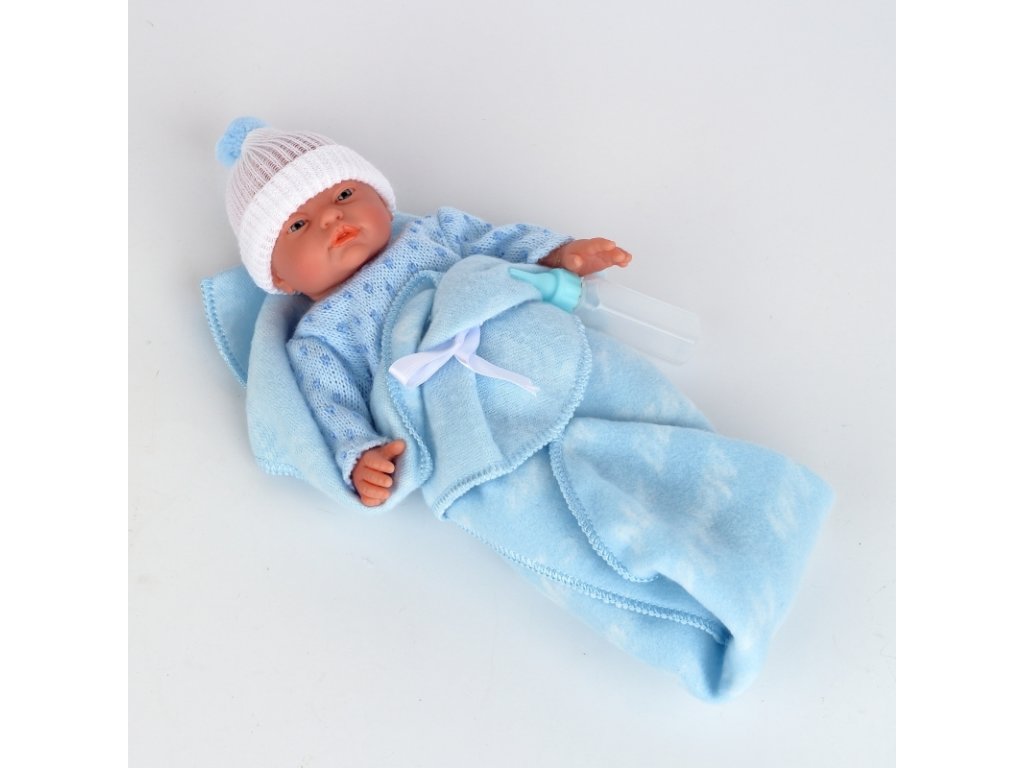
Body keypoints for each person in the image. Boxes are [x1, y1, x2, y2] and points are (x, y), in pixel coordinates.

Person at [217, 116, 632, 506]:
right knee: (549, 495)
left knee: (623, 404)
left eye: (344, 194)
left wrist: (560, 255)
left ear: (382, 201)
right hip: (462, 424)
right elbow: (331, 406)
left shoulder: (434, 232)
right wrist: (361, 457)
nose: (330, 215)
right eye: (297, 225)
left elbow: (500, 242)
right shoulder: (319, 338)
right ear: (281, 278)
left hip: (538, 352)